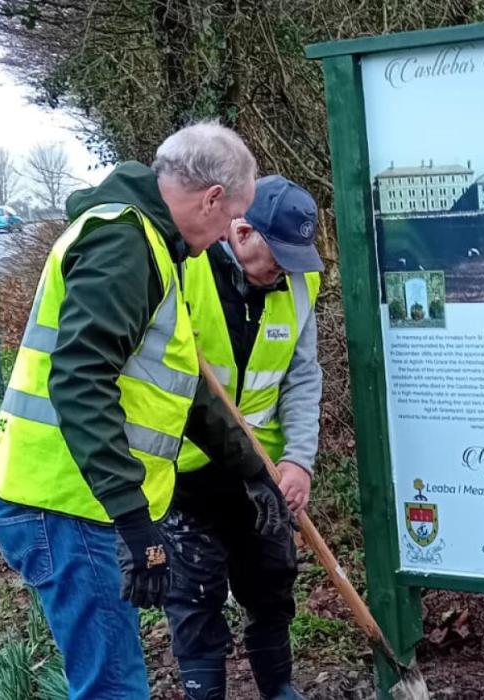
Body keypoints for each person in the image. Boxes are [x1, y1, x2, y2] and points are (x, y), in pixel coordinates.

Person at [0, 123, 293, 700]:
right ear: (212, 199)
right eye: (231, 218)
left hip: (79, 501)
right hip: (69, 504)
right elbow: (80, 379)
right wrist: (132, 518)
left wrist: (254, 471)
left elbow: (186, 389)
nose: (226, 236)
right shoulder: (124, 244)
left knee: (114, 682)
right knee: (113, 689)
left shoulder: (154, 247)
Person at [165, 175, 324, 700]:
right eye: (277, 256)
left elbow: (302, 377)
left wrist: (298, 460)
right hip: (186, 470)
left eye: (295, 258)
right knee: (196, 592)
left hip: (264, 473)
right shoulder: (184, 271)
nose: (284, 270)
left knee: (272, 582)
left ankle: (279, 689)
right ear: (240, 230)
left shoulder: (298, 284)